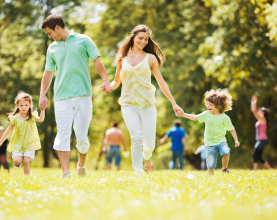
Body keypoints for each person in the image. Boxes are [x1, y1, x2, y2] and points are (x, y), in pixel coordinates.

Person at [40, 14, 112, 178]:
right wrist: (42, 94)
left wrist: (106, 81)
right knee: (63, 133)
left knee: (81, 136)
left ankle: (81, 165)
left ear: (57, 28)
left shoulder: (84, 40)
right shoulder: (52, 48)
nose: (50, 37)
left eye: (49, 33)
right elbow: (48, 72)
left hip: (83, 95)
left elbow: (97, 61)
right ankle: (66, 172)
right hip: (61, 97)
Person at [110, 25, 183, 174]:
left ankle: (147, 157)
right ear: (133, 37)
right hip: (128, 104)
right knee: (136, 137)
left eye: (146, 39)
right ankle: (138, 171)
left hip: (147, 105)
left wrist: (174, 103)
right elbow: (116, 81)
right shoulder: (122, 59)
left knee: (149, 144)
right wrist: (108, 86)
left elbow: (161, 83)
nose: (143, 41)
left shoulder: (151, 58)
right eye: (140, 38)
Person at [181, 89, 240, 175]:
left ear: (218, 106)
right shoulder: (206, 114)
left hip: (221, 142)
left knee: (226, 151)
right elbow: (194, 117)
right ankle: (210, 176)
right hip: (209, 144)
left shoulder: (224, 117)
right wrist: (183, 114)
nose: (208, 106)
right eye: (207, 104)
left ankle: (224, 169)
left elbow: (231, 129)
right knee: (211, 166)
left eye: (210, 105)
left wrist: (236, 140)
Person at [0, 92, 45, 175]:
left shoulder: (31, 116)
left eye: (26, 105)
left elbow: (41, 119)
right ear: (17, 105)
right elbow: (8, 131)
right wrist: (0, 141)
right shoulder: (14, 118)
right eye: (21, 105)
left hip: (29, 143)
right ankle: (17, 163)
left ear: (29, 105)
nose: (24, 107)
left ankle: (26, 177)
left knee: (26, 161)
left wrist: (42, 110)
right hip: (17, 143)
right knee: (17, 160)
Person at [251, 95, 272, 170]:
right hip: (261, 140)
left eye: (260, 110)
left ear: (263, 113)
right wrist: (252, 102)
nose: (258, 111)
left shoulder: (263, 119)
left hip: (262, 140)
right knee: (258, 157)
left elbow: (254, 111)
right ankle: (270, 169)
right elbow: (254, 111)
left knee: (255, 155)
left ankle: (255, 171)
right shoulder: (261, 120)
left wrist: (254, 102)